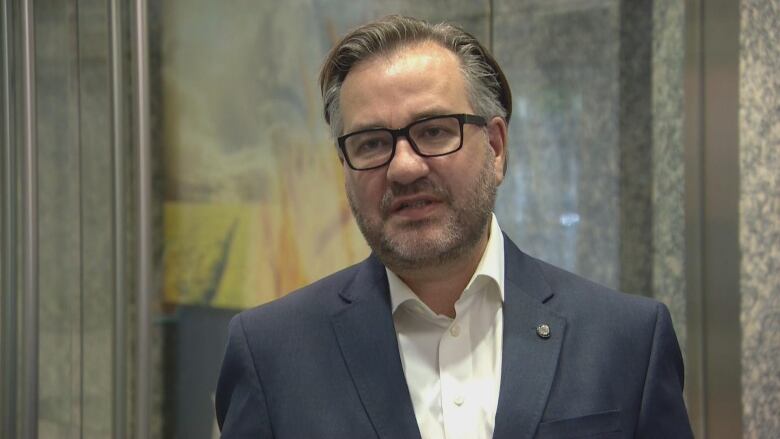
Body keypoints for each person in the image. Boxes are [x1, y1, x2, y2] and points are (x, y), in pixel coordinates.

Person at [215, 15, 692, 439]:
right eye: (371, 143)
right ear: (345, 165)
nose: (403, 167)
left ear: (497, 146)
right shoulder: (271, 354)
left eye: (435, 131)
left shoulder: (627, 341)